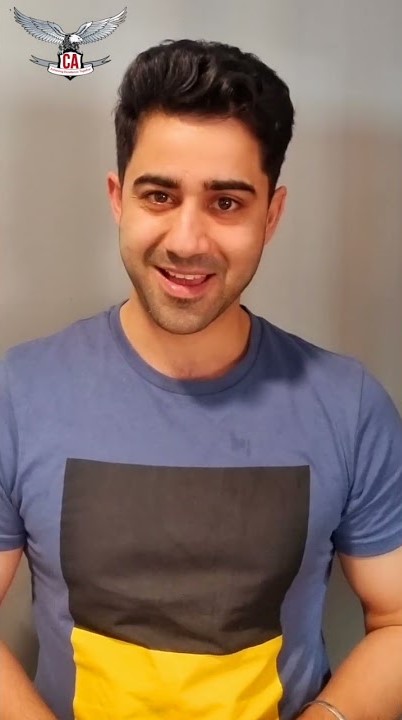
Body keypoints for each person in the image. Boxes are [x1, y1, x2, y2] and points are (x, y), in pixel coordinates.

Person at [0, 38, 401, 720]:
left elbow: (396, 619)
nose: (187, 241)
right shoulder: (20, 394)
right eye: (159, 195)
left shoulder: (349, 405)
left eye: (226, 203)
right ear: (118, 199)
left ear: (272, 214)